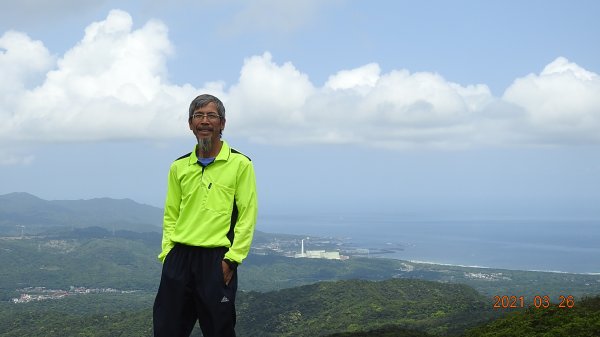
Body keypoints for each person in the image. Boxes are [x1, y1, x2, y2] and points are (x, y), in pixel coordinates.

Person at [153, 94, 258, 337]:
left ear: (222, 123)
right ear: (190, 124)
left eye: (211, 115)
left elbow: (247, 215)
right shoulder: (179, 167)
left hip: (216, 259)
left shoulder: (240, 164)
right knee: (166, 329)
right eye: (198, 116)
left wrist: (232, 260)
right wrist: (168, 254)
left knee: (218, 329)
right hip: (179, 258)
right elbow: (171, 214)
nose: (204, 120)